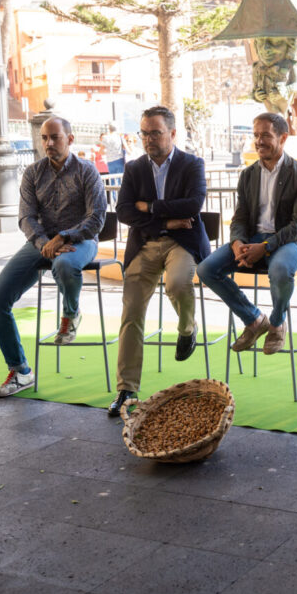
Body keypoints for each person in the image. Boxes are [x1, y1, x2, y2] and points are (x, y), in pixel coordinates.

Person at [0, 116, 106, 397]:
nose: (49, 143)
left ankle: (71, 314)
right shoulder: (32, 173)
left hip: (81, 240)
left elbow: (96, 219)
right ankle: (20, 371)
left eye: (55, 137)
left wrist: (63, 237)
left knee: (64, 265)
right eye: (44, 138)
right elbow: (26, 217)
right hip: (41, 244)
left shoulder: (87, 171)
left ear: (70, 139)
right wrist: (44, 243)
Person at [108, 105, 210, 416]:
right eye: (144, 133)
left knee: (178, 282)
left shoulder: (192, 164)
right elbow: (124, 211)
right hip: (146, 244)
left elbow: (193, 204)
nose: (149, 139)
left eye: (156, 133)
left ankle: (187, 328)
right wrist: (166, 221)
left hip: (184, 242)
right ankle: (127, 390)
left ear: (173, 134)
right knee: (132, 311)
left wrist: (149, 206)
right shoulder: (135, 168)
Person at [197, 112, 297, 354]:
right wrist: (237, 243)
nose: (259, 141)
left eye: (266, 135)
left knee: (281, 270)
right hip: (253, 239)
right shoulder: (248, 175)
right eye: (256, 136)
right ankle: (253, 319)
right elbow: (240, 216)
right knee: (206, 269)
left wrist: (266, 247)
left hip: (292, 241)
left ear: (283, 138)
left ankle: (275, 323)